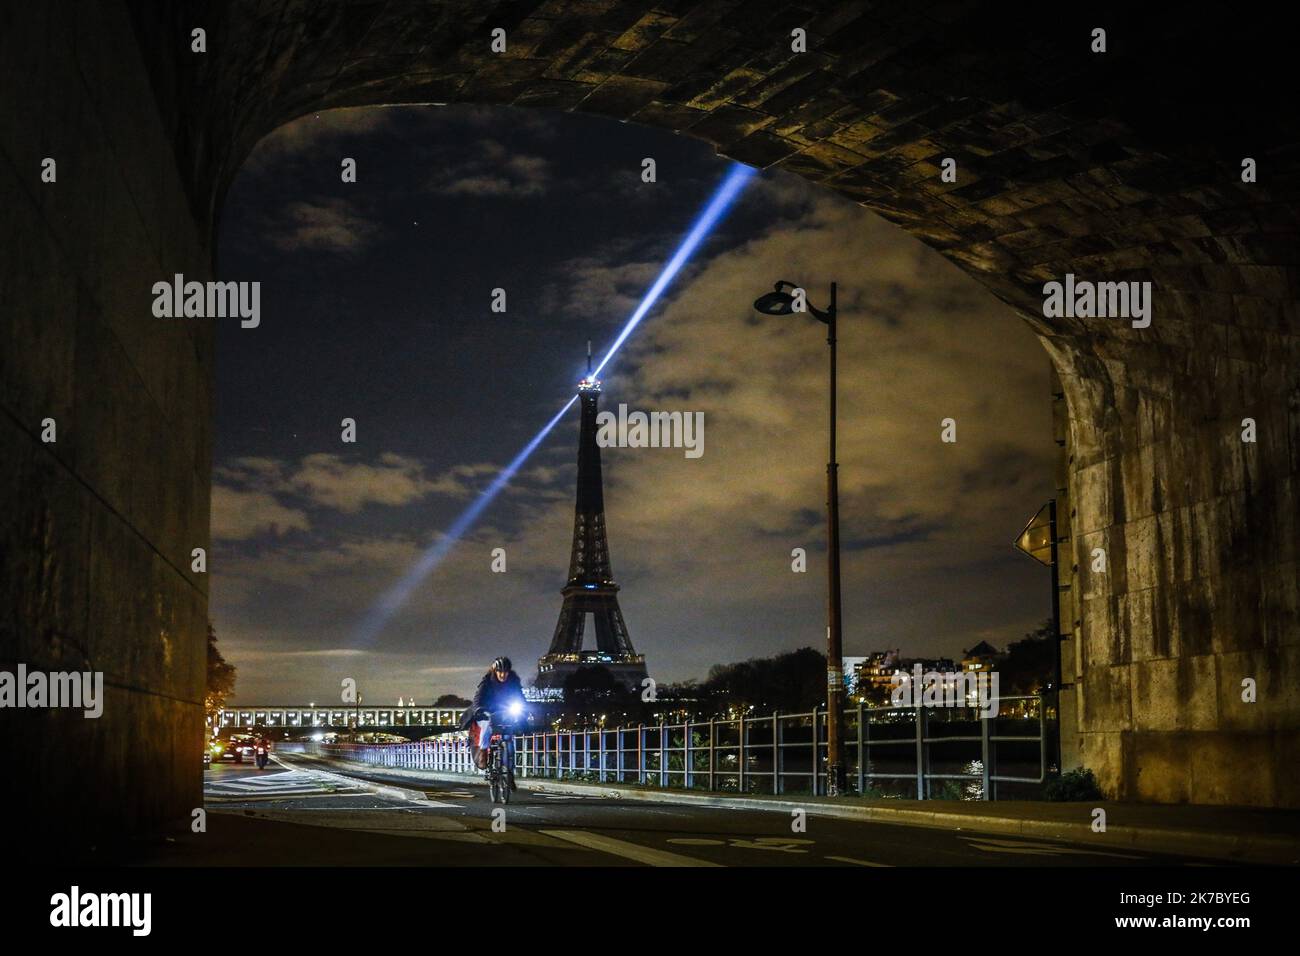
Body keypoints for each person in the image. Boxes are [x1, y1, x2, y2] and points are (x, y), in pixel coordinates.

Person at [461, 656, 524, 771]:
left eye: (505, 672)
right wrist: (479, 708)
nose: (502, 675)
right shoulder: (487, 682)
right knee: (487, 726)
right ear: (495, 671)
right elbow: (478, 698)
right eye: (500, 672)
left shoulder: (514, 683)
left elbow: (521, 697)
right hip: (488, 711)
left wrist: (525, 709)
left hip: (505, 712)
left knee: (509, 733)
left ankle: (509, 768)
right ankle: (483, 753)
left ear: (509, 672)